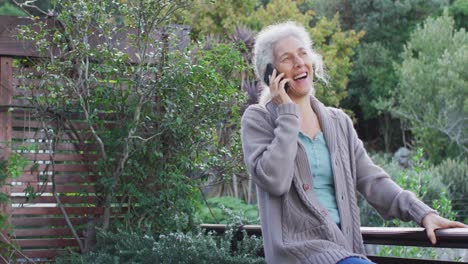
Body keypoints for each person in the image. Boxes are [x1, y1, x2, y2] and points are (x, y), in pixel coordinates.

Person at [240, 21, 466, 264]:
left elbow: (373, 180)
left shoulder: (338, 122)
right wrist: (286, 114)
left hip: (345, 250)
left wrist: (422, 213)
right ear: (270, 73)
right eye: (287, 58)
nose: (299, 62)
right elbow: (274, 180)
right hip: (299, 254)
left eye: (303, 52)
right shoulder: (259, 119)